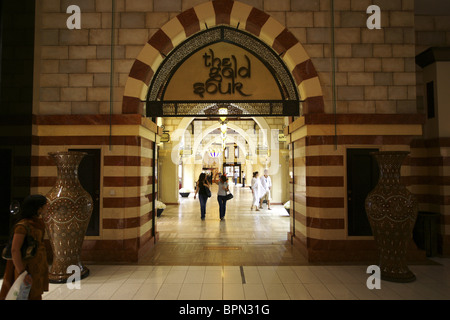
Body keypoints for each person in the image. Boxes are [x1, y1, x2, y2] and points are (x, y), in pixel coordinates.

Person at [0, 195, 49, 300]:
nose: (47, 208)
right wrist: (22, 272)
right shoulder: (22, 226)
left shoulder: (37, 223)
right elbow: (15, 249)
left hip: (37, 267)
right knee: (24, 295)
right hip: (26, 268)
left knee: (35, 294)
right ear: (38, 208)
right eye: (45, 205)